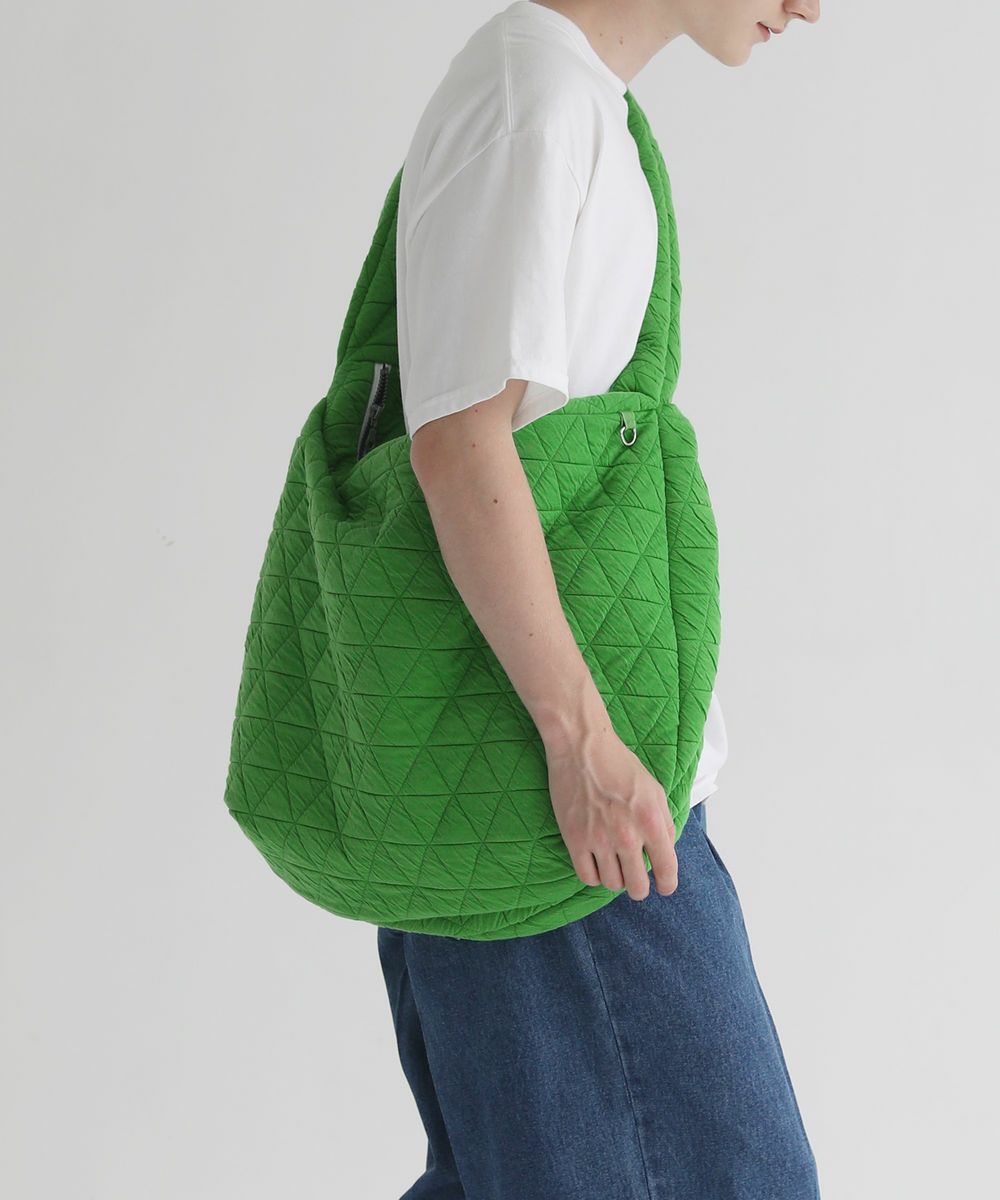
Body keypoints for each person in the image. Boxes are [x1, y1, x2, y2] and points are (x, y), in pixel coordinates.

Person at [377, 3, 822, 1197]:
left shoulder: (571, 100)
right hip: (563, 809)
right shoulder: (534, 101)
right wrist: (580, 742)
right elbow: (460, 441)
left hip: (557, 794)